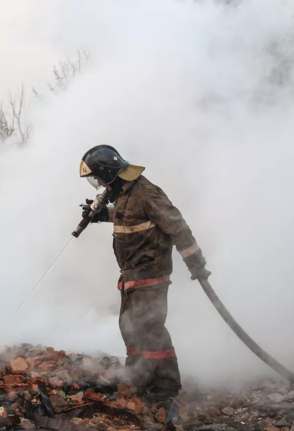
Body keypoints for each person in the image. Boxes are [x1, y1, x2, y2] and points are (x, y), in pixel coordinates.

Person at [78, 145, 211, 401]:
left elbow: (178, 228)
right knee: (129, 327)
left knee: (149, 327)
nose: (99, 185)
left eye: (98, 179)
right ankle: (139, 377)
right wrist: (102, 214)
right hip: (130, 274)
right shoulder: (127, 194)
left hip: (151, 273)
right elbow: (129, 215)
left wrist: (196, 264)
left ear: (109, 174)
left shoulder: (147, 192)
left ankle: (166, 385)